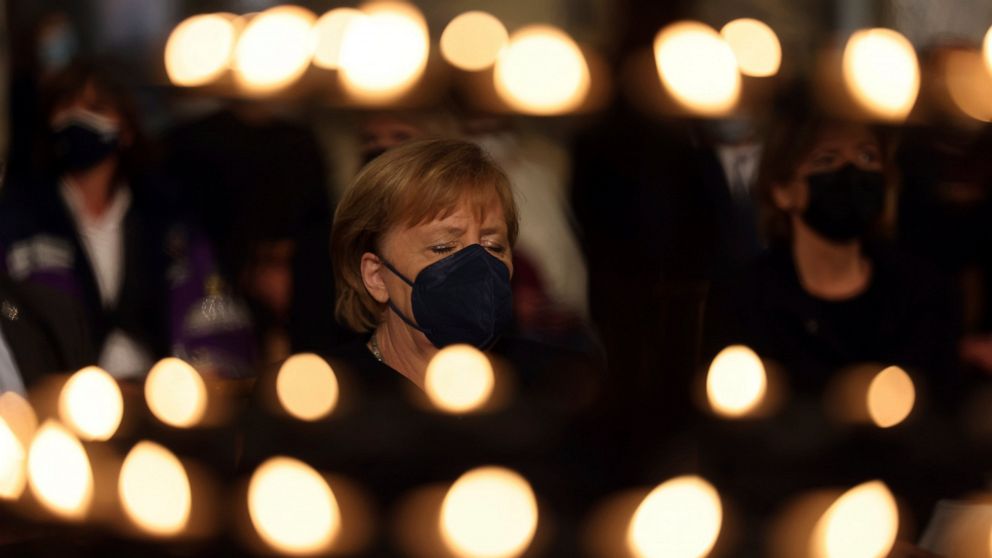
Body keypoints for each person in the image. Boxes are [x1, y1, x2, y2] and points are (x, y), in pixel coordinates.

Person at [0, 59, 253, 379]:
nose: (77, 118)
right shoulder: (21, 221)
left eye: (95, 107)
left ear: (127, 129)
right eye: (65, 105)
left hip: (158, 396)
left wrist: (205, 369)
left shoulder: (166, 222)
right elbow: (9, 310)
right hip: (60, 393)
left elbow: (207, 299)